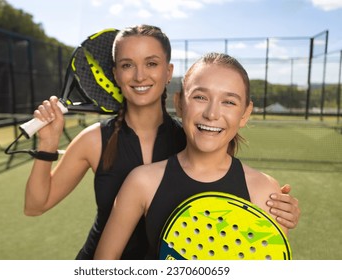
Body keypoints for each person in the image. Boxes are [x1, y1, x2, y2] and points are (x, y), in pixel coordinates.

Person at [24, 25, 300, 260]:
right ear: (116, 74)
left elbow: (231, 180)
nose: (140, 75)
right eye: (127, 65)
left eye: (151, 63)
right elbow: (35, 205)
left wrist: (275, 207)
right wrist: (47, 144)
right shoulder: (97, 140)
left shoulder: (197, 133)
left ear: (168, 73)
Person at [94, 52, 291, 259]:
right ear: (179, 103)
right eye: (200, 97)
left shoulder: (265, 191)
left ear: (245, 114)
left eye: (229, 102)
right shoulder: (142, 181)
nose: (212, 113)